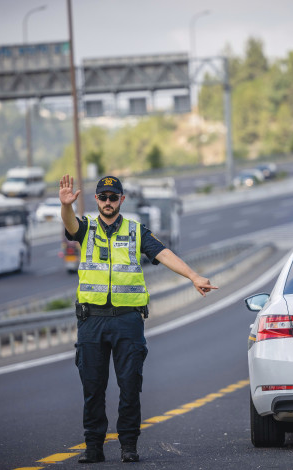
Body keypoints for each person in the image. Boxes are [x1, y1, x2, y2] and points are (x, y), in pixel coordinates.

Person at [59, 174, 218, 464]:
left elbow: (165, 253)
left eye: (113, 197)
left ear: (122, 199)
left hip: (128, 321)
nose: (108, 202)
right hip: (91, 320)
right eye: (103, 197)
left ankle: (128, 445)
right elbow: (70, 225)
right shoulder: (87, 229)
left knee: (130, 385)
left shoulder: (136, 231)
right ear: (97, 200)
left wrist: (194, 276)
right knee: (93, 388)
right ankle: (93, 446)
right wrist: (66, 205)